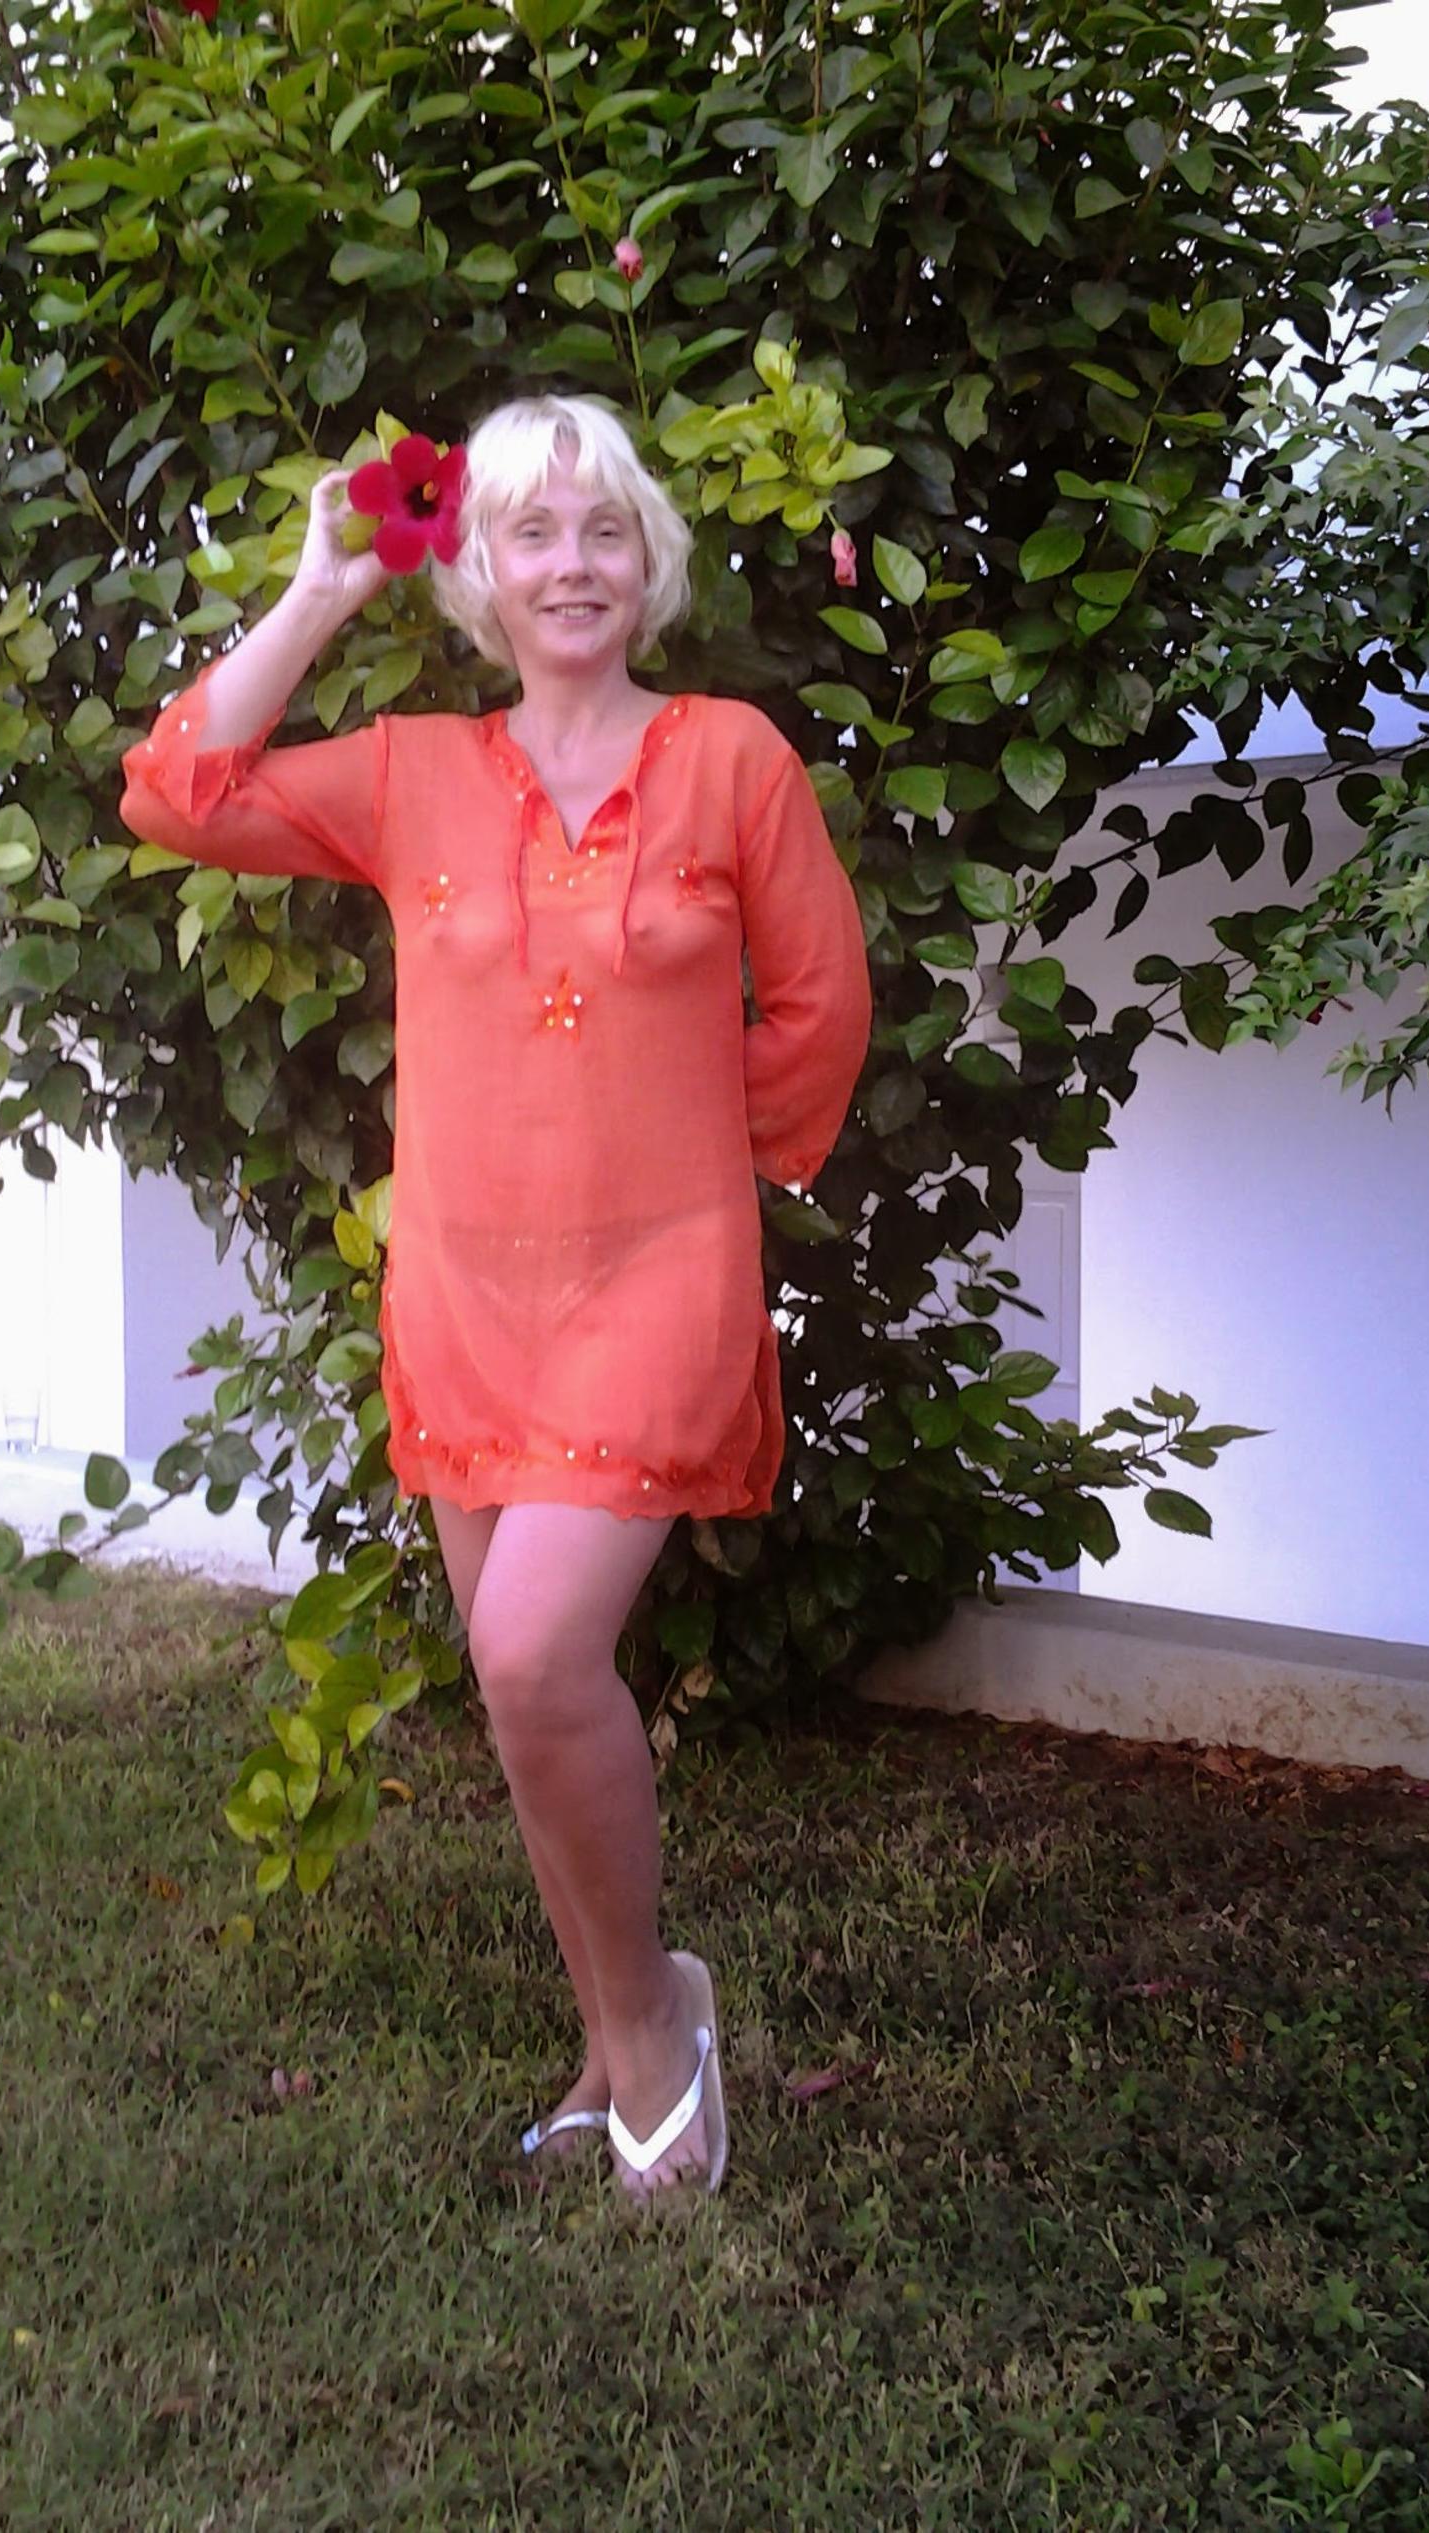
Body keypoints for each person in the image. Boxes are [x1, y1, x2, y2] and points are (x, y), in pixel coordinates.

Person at [119, 393, 872, 2209]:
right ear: (478, 573)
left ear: (651, 559)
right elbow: (178, 791)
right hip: (466, 1291)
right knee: (528, 1695)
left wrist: (690, 1168)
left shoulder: (734, 759)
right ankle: (619, 2041)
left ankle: (660, 2031)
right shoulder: (412, 773)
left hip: (661, 1276)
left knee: (533, 1653)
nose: (573, 564)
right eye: (532, 532)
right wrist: (319, 587)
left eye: (605, 530)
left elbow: (821, 1008)